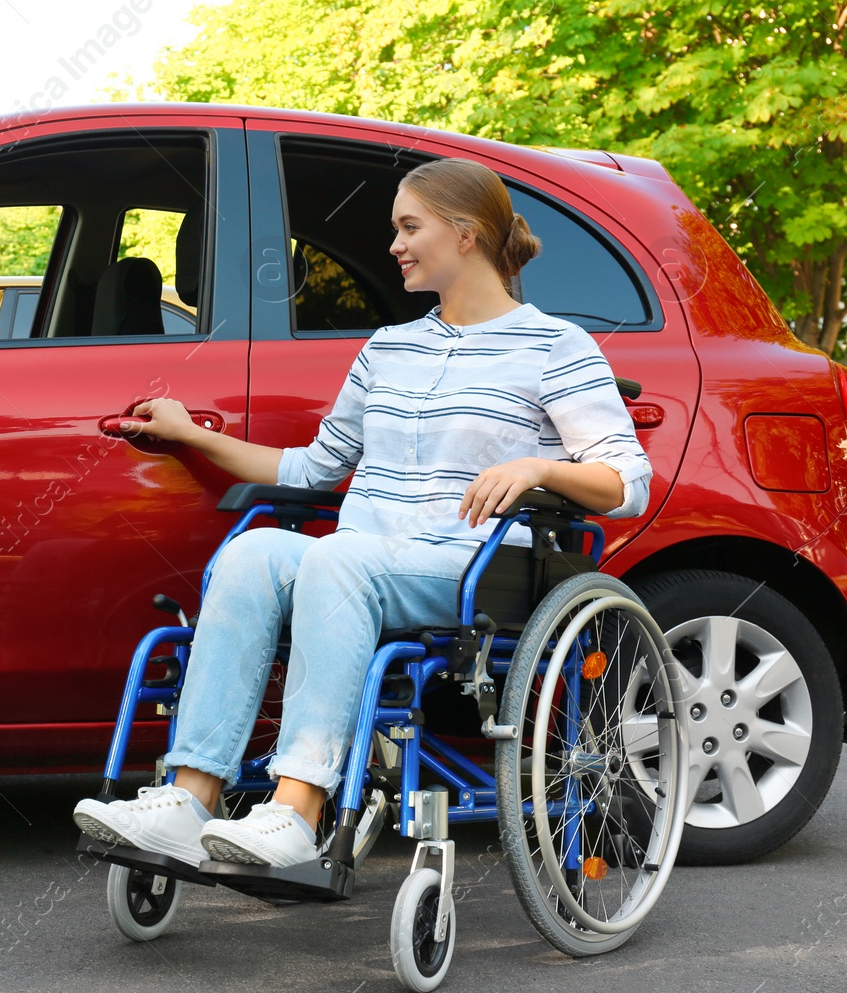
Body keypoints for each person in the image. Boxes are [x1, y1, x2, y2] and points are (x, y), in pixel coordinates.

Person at [72, 157, 652, 869]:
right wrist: (192, 434)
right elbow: (312, 467)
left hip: (467, 566)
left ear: (466, 234)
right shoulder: (389, 348)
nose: (395, 245)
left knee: (336, 558)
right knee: (253, 553)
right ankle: (188, 798)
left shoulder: (554, 346)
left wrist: (537, 466)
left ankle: (296, 807)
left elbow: (626, 480)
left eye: (410, 227)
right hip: (357, 559)